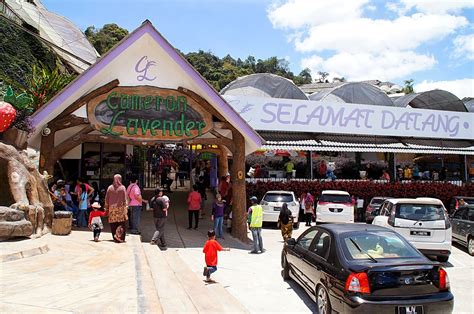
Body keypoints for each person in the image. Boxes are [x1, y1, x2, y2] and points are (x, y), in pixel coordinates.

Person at [105, 174, 128, 243]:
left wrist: (106, 208)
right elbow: (125, 199)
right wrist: (126, 207)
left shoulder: (109, 188)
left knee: (113, 223)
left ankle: (115, 236)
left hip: (112, 209)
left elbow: (106, 199)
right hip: (120, 208)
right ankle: (120, 237)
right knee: (121, 223)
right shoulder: (122, 188)